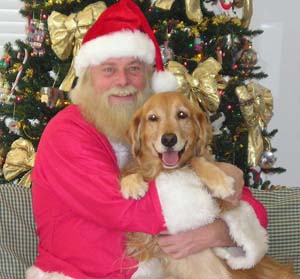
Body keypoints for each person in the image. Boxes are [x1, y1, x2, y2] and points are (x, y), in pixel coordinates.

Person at [26, 0, 268, 278]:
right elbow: (128, 209)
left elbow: (255, 212)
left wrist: (219, 232)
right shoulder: (65, 132)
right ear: (88, 76)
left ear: (148, 77)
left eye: (134, 68)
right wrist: (219, 175)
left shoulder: (152, 125)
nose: (122, 80)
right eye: (108, 69)